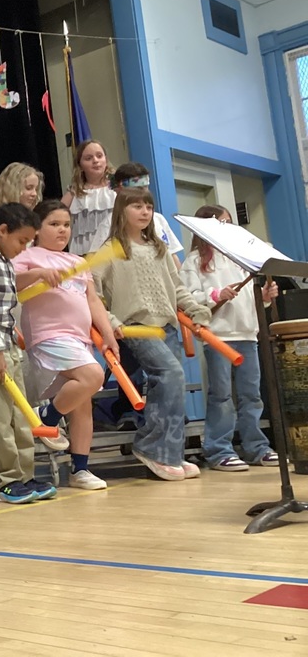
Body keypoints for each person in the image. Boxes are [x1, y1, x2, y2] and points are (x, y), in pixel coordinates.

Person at [93, 188, 212, 481]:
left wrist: (195, 310)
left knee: (174, 385)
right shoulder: (109, 250)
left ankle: (171, 453)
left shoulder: (159, 249)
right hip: (136, 327)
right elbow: (91, 292)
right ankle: (152, 446)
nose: (145, 212)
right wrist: (110, 321)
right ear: (122, 211)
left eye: (148, 206)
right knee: (170, 375)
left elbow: (177, 287)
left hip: (167, 326)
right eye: (137, 206)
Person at [13, 200, 118, 490]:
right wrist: (37, 274)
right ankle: (48, 416)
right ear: (37, 228)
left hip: (79, 338)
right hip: (49, 336)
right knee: (93, 375)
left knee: (83, 401)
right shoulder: (29, 255)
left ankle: (80, 469)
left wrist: (107, 333)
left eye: (66, 225)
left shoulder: (78, 262)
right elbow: (12, 282)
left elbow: (92, 300)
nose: (62, 230)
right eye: (54, 224)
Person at [179, 205, 279, 470]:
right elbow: (187, 298)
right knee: (221, 396)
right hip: (218, 336)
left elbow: (251, 299)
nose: (227, 228)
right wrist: (215, 295)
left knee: (251, 395)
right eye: (221, 223)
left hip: (248, 333)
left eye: (229, 222)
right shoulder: (193, 262)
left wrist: (266, 298)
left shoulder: (242, 258)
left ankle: (256, 447)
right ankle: (219, 450)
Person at [0, 203, 56, 504]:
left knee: (22, 412)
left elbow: (3, 304)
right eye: (21, 241)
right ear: (2, 231)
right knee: (1, 414)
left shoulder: (5, 260)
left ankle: (25, 475)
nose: (24, 248)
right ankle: (5, 481)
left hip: (7, 343)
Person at [62, 140, 115, 256]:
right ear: (80, 165)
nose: (95, 161)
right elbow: (55, 216)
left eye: (99, 156)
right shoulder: (74, 192)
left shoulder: (117, 188)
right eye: (88, 158)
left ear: (106, 159)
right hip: (83, 254)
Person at [0, 162, 43, 241]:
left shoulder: (37, 220)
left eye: (36, 189)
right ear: (12, 189)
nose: (34, 194)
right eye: (29, 188)